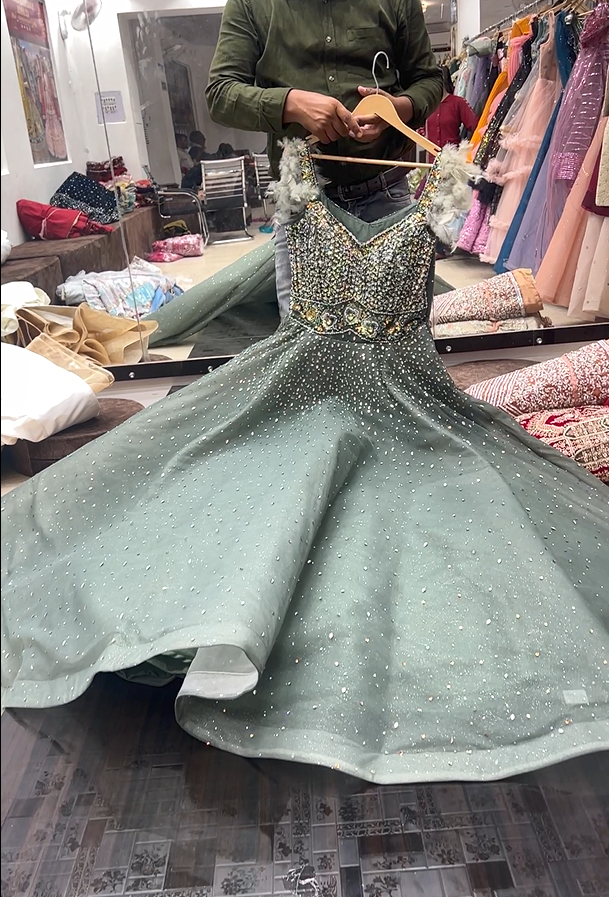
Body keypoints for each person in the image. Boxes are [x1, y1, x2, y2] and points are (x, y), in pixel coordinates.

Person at [2, 137, 607, 784]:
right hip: (297, 379)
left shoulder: (439, 191)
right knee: (203, 475)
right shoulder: (298, 184)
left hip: (404, 390)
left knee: (444, 512)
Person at [206, 0, 443, 316]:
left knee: (399, 335)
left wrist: (396, 110)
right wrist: (291, 103)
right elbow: (220, 94)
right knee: (307, 341)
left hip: (386, 197)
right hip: (303, 205)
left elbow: (430, 80)